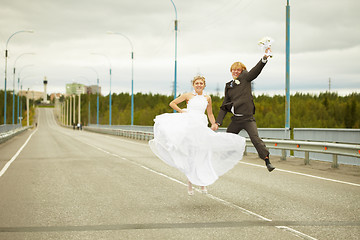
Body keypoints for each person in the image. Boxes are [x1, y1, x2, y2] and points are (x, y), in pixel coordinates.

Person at [149, 76, 246, 195]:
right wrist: (181, 111)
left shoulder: (207, 98)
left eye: (201, 83)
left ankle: (202, 184)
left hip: (201, 125)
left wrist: (214, 123)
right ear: (193, 85)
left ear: (204, 85)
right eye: (196, 83)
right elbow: (172, 103)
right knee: (191, 155)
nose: (199, 85)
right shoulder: (188, 95)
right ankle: (190, 183)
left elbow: (210, 113)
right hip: (189, 126)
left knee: (203, 154)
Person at [213, 54, 275, 172]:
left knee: (255, 138)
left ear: (242, 71)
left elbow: (255, 71)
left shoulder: (246, 78)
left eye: (238, 70)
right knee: (227, 138)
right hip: (236, 120)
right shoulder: (229, 86)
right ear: (231, 71)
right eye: (233, 70)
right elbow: (224, 105)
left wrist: (264, 59)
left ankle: (267, 160)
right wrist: (218, 122)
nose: (235, 71)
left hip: (248, 119)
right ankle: (222, 160)